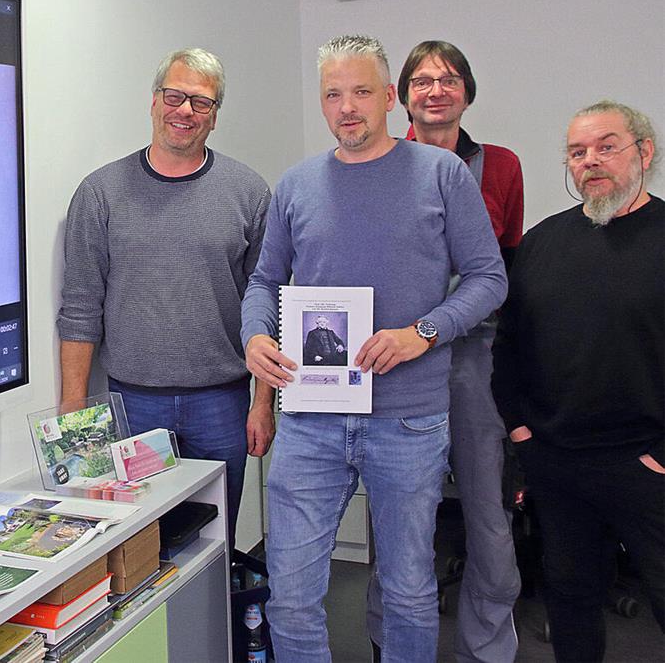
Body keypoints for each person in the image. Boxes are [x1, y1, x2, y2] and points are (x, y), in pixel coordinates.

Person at [242, 34, 506, 662]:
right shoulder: (296, 184)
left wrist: (423, 333)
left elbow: (489, 278)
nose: (347, 107)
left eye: (361, 91)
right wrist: (254, 336)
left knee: (409, 592)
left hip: (408, 419)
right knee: (291, 597)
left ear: (390, 97)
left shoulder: (441, 174)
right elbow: (263, 282)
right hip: (311, 418)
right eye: (333, 94)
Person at [57, 47, 274, 545]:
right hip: (133, 407)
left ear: (215, 116)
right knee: (139, 544)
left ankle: (219, 599)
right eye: (174, 96)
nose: (185, 111)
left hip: (222, 404)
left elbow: (266, 305)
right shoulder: (100, 193)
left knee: (215, 542)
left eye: (201, 102)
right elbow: (81, 307)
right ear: (154, 101)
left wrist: (264, 403)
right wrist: (74, 410)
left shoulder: (249, 192)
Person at [367, 41, 522, 662]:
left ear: (467, 93)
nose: (436, 90)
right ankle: (391, 643)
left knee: (487, 513)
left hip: (473, 357)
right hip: (397, 358)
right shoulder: (379, 162)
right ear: (402, 96)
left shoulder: (501, 166)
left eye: (450, 79)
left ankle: (487, 647)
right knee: (399, 513)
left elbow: (504, 265)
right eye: (423, 80)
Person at [492, 100, 664, 662]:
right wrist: (520, 429)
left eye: (606, 146)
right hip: (558, 462)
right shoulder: (542, 242)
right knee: (570, 598)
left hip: (647, 464)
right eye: (577, 151)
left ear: (645, 152)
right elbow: (509, 347)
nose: (590, 160)